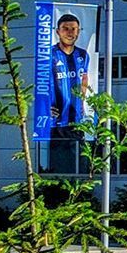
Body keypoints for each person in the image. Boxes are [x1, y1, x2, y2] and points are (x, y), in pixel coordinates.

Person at [46, 13, 92, 173]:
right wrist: (44, 105)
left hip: (76, 121)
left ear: (79, 32)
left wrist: (82, 99)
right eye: (65, 29)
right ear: (57, 31)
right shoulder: (48, 55)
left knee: (80, 165)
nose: (70, 32)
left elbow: (84, 78)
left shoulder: (83, 55)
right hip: (56, 122)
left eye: (74, 29)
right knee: (59, 166)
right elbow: (40, 81)